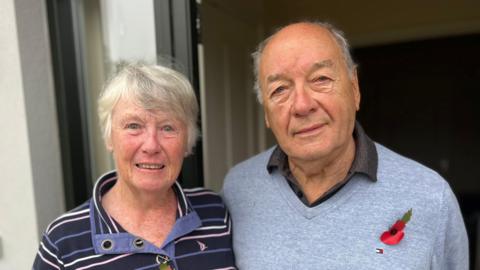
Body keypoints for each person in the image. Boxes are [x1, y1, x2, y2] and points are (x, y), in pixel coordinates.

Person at [222, 21, 468, 269]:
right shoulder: (238, 188)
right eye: (279, 90)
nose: (302, 105)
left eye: (320, 79)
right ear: (266, 113)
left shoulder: (430, 196)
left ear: (354, 89)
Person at [33, 63, 236, 269]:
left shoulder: (216, 213)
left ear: (187, 141)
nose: (151, 146)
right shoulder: (62, 243)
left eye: (168, 127)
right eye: (134, 126)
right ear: (109, 137)